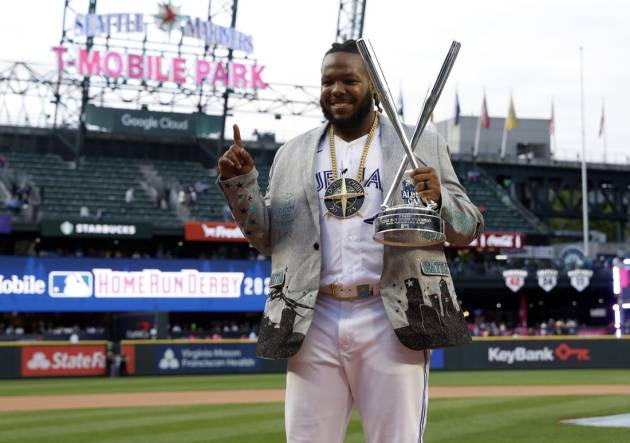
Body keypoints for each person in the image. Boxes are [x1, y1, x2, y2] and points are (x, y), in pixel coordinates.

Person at [218, 40, 483, 443]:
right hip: (312, 315)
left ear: (374, 88)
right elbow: (269, 238)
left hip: (391, 313)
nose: (336, 89)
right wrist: (241, 186)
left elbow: (469, 225)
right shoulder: (292, 152)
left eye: (348, 80)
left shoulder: (420, 143)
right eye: (327, 82)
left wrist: (442, 199)